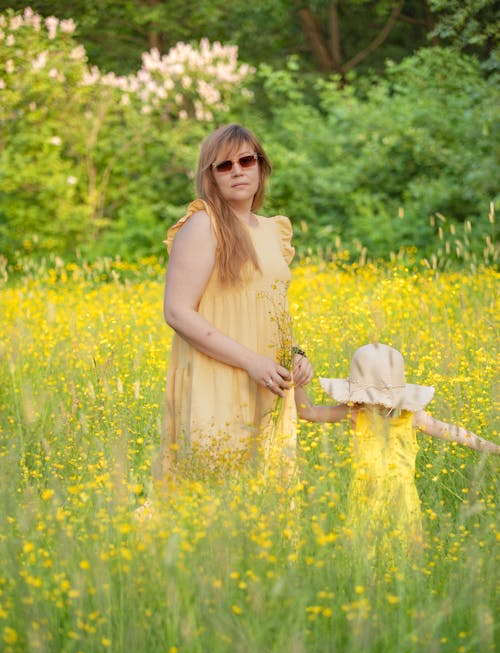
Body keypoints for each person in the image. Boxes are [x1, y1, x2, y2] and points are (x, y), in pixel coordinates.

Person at [153, 123, 313, 482]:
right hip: (219, 379)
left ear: (261, 166)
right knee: (208, 503)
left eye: (245, 160)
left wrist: (295, 355)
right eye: (224, 165)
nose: (237, 170)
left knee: (266, 504)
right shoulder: (202, 226)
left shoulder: (273, 230)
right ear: (210, 176)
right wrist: (251, 362)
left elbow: (268, 310)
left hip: (268, 382)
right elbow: (177, 312)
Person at [294, 343, 499, 552]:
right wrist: (296, 383)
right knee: (366, 558)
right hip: (364, 497)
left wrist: (490, 447)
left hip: (402, 500)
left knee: (401, 555)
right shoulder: (355, 412)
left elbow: (452, 431)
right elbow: (308, 413)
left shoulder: (412, 417)